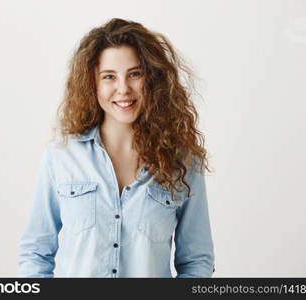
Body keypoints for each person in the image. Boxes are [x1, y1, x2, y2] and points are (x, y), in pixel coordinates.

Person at [18, 18, 215, 278]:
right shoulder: (61, 156)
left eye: (135, 74)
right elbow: (35, 252)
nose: (123, 89)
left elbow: (197, 260)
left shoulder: (184, 162)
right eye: (109, 76)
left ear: (152, 79)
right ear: (93, 83)